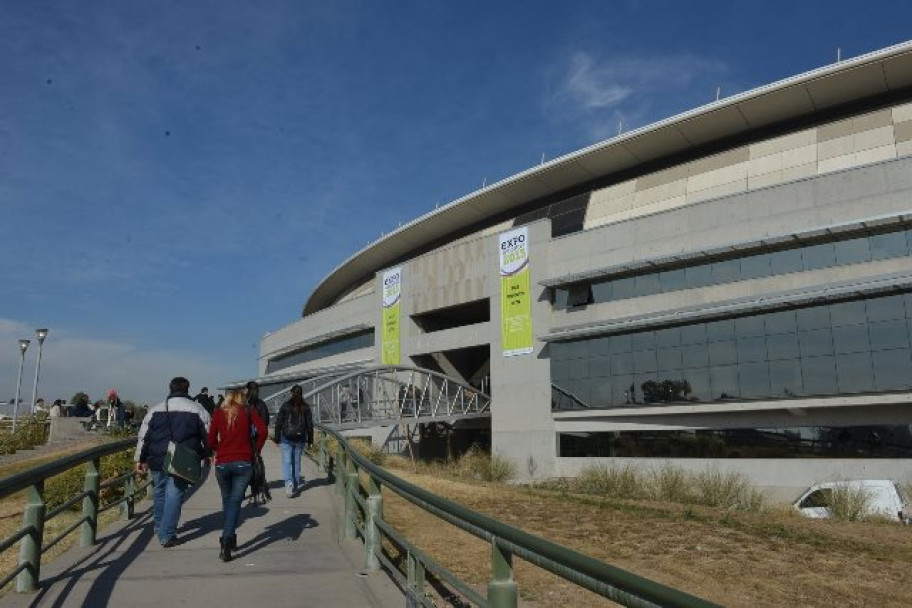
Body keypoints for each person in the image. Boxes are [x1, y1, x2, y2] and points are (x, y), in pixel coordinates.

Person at [134, 377, 210, 547]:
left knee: (160, 492)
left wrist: (140, 459)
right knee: (175, 493)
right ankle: (167, 534)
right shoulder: (197, 409)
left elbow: (144, 437)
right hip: (181, 460)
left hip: (157, 457)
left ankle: (160, 526)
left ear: (170, 388)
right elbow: (208, 435)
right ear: (187, 389)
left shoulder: (155, 409)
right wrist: (206, 454)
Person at [207, 389, 266, 561]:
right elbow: (262, 431)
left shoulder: (218, 413)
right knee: (234, 502)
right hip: (243, 462)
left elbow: (210, 440)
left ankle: (229, 537)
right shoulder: (249, 411)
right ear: (242, 399)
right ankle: (227, 539)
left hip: (222, 464)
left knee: (227, 501)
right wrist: (256, 449)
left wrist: (221, 448)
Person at [272, 385, 313, 498]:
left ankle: (289, 484)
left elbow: (279, 422)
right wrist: (310, 440)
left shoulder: (285, 406)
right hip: (300, 439)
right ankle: (295, 485)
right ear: (301, 393)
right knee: (296, 462)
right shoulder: (305, 407)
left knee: (287, 462)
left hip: (286, 438)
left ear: (291, 393)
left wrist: (276, 438)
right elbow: (309, 425)